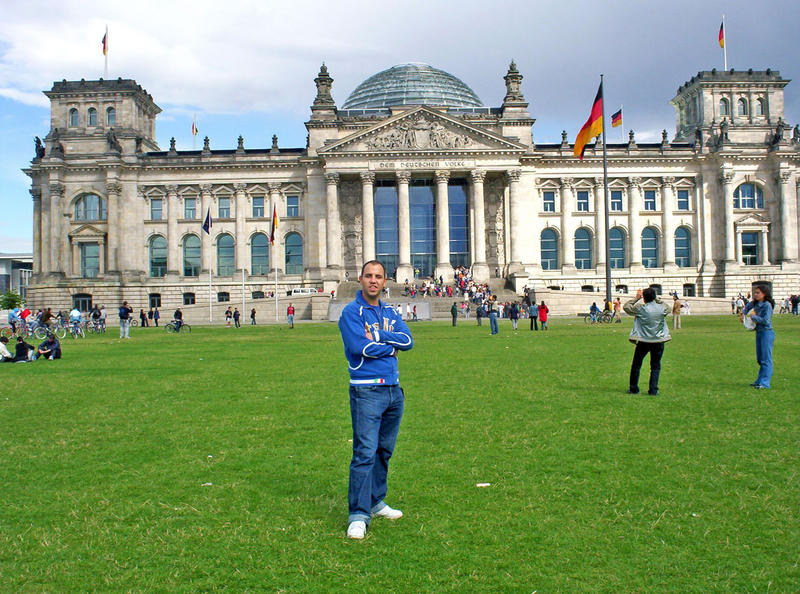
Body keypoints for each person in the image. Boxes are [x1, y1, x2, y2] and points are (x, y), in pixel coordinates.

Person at [338, 260, 414, 540]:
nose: (373, 281)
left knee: (384, 451)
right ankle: (358, 514)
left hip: (393, 390)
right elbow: (361, 347)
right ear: (360, 279)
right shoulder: (351, 313)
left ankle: (375, 500)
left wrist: (381, 335)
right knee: (364, 453)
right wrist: (389, 348)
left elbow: (408, 341)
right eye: (368, 276)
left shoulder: (390, 312)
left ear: (385, 282)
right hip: (366, 390)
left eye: (378, 276)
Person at [624, 288, 671, 396]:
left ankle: (634, 388)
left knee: (636, 364)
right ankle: (653, 390)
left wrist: (636, 298)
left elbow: (626, 307)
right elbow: (668, 308)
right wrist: (658, 300)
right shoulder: (661, 308)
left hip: (644, 340)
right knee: (655, 366)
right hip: (658, 340)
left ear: (644, 298)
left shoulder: (641, 308)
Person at [742, 284, 775, 389]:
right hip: (759, 332)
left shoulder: (767, 305)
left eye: (758, 293)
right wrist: (743, 314)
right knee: (760, 358)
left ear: (764, 294)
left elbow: (766, 321)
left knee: (766, 359)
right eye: (755, 293)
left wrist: (753, 317)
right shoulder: (756, 303)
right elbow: (748, 306)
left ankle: (765, 383)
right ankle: (759, 380)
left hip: (766, 333)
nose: (755, 295)